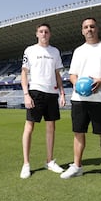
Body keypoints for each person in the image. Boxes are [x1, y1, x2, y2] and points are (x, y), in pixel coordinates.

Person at [60, 17, 101, 187]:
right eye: (86, 27)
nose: (89, 29)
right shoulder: (78, 51)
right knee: (78, 133)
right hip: (79, 99)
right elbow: (72, 74)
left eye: (92, 26)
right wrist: (77, 84)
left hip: (100, 99)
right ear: (82, 31)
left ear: (97, 28)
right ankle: (77, 166)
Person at [20, 23, 66, 179]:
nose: (44, 34)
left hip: (52, 93)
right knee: (29, 127)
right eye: (41, 31)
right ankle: (26, 164)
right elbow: (24, 73)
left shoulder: (55, 51)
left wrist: (62, 92)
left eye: (46, 31)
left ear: (50, 34)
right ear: (37, 34)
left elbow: (57, 74)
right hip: (35, 92)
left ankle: (49, 161)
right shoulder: (30, 50)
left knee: (51, 127)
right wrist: (26, 94)